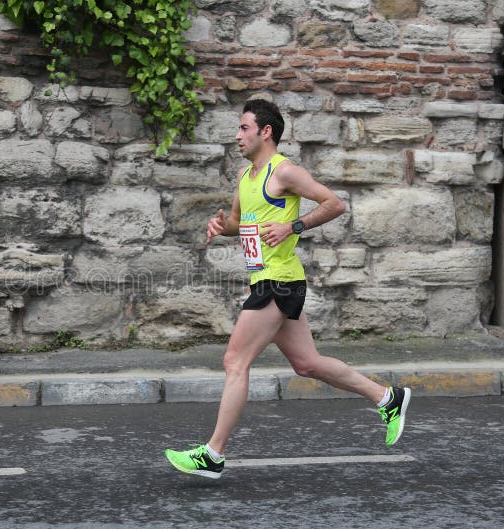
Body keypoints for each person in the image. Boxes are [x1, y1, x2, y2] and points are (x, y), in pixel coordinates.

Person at [164, 99, 411, 479]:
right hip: (270, 279)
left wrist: (293, 227)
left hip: (278, 281)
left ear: (266, 132)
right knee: (307, 363)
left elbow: (334, 204)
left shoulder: (285, 173)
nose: (237, 135)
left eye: (244, 128)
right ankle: (387, 398)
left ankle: (213, 453)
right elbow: (237, 221)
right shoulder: (247, 178)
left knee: (235, 361)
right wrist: (221, 227)